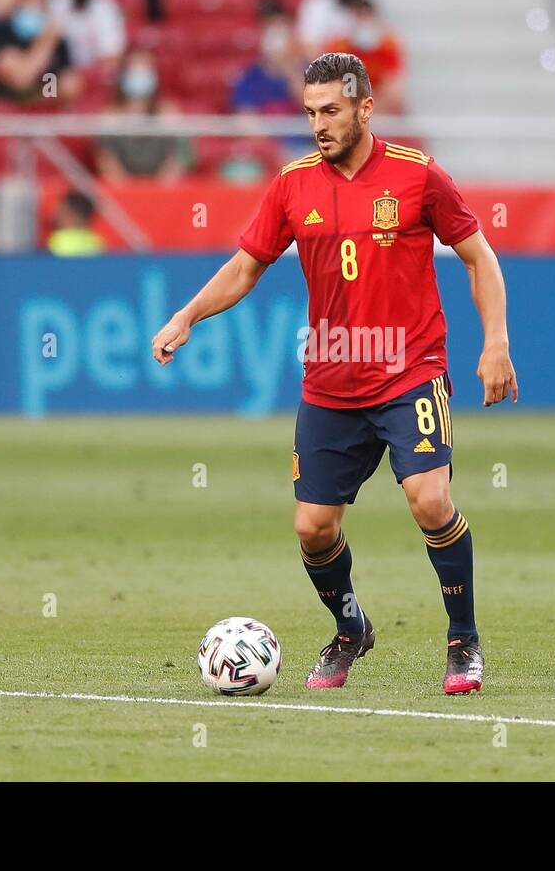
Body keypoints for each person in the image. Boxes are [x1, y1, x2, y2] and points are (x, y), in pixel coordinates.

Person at [150, 53, 517, 695]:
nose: (318, 124)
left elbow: (477, 256)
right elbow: (245, 266)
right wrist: (188, 315)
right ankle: (351, 628)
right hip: (331, 382)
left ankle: (463, 640)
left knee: (430, 498)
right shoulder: (293, 184)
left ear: (364, 109)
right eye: (310, 113)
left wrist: (496, 342)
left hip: (410, 371)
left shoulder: (417, 175)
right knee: (313, 527)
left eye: (331, 111)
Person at [95, 49, 191, 180]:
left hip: (162, 191)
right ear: (123, 75)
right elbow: (105, 159)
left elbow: (179, 157)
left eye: (144, 72)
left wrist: (158, 193)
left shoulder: (169, 113)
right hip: (123, 191)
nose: (139, 76)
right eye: (134, 72)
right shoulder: (110, 116)